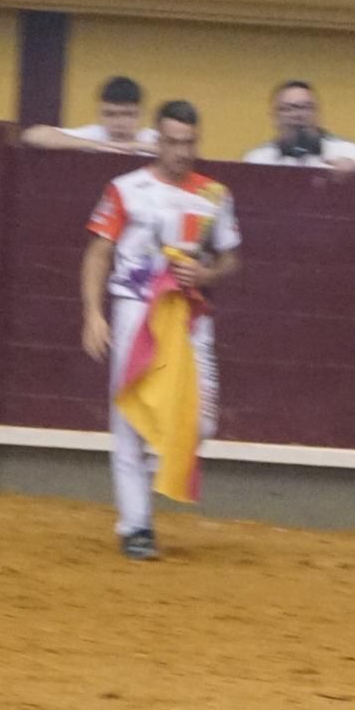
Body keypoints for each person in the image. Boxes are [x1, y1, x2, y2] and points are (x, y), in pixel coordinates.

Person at [81, 100, 241, 560]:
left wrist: (208, 276)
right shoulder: (125, 190)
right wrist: (94, 313)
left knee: (200, 419)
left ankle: (155, 471)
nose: (180, 152)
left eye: (188, 142)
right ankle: (136, 526)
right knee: (128, 419)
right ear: (157, 140)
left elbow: (230, 256)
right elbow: (97, 253)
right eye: (171, 142)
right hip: (134, 306)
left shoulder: (214, 194)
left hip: (189, 312)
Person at [242, 80, 355, 172]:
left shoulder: (350, 153)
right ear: (274, 117)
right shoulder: (258, 159)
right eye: (288, 109)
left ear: (318, 114)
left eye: (305, 107)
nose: (298, 115)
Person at [20, 75, 158, 155]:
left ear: (141, 114)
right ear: (99, 114)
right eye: (110, 114)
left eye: (128, 114)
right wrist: (93, 145)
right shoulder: (94, 134)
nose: (119, 122)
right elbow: (33, 135)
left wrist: (137, 147)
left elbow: (177, 152)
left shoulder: (153, 138)